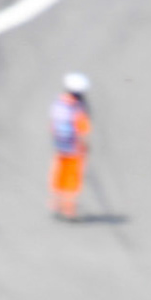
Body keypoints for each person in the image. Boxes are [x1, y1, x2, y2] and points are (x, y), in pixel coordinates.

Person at [48, 73, 92, 220]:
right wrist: (83, 145)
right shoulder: (78, 107)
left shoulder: (58, 103)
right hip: (74, 147)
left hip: (60, 144)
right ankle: (69, 209)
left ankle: (55, 203)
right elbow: (82, 128)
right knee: (72, 177)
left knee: (59, 173)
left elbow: (52, 125)